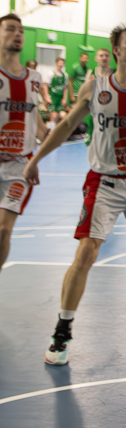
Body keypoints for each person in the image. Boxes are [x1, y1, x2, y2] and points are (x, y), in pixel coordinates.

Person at [25, 24, 126, 365]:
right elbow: (66, 126)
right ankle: (62, 333)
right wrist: (35, 159)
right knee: (85, 253)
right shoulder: (94, 88)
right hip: (104, 183)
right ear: (116, 49)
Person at [0, 15, 48, 273]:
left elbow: (37, 123)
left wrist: (36, 159)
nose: (17, 33)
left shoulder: (34, 78)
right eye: (10, 29)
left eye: (21, 30)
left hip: (19, 166)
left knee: (3, 230)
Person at [44, 56, 70, 127]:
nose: (61, 64)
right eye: (59, 63)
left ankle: (59, 133)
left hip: (60, 98)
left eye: (62, 63)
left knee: (63, 115)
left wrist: (64, 99)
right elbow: (45, 85)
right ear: (56, 63)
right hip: (53, 98)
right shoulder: (51, 73)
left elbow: (65, 88)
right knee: (54, 115)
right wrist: (47, 97)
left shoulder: (65, 75)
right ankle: (51, 133)